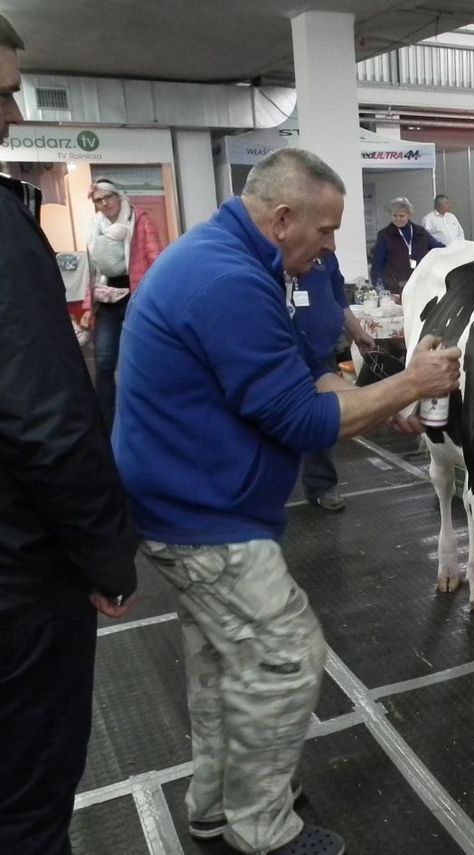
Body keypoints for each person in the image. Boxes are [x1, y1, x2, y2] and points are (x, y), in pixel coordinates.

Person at [113, 148, 460, 855]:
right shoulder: (227, 281)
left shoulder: (238, 261)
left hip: (191, 502)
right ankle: (263, 829)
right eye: (325, 231)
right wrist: (411, 385)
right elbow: (300, 420)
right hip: (203, 516)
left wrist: (380, 396)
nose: (332, 247)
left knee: (224, 664)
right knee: (285, 656)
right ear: (281, 219)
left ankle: (217, 805)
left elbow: (306, 378)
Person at [0, 14, 139, 855]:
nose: (13, 115)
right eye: (0, 94)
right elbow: (45, 420)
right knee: (27, 804)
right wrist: (107, 553)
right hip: (18, 581)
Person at [293, 250, 375, 512]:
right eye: (325, 232)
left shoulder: (327, 258)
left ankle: (321, 485)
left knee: (322, 420)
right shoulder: (285, 258)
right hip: (287, 353)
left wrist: (358, 332)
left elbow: (339, 298)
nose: (331, 242)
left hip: (321, 352)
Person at [79, 177, 163, 428]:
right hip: (106, 301)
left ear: (118, 196)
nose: (104, 203)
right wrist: (87, 307)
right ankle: (106, 423)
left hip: (137, 299)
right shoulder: (95, 227)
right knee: (104, 362)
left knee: (140, 359)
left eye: (108, 197)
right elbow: (92, 270)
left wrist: (158, 298)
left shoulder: (139, 220)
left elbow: (156, 258)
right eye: (98, 200)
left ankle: (147, 414)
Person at [369, 196, 442, 297]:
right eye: (394, 215)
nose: (397, 219)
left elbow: (438, 247)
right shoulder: (385, 235)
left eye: (401, 216)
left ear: (409, 215)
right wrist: (380, 289)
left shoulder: (420, 232)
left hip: (420, 285)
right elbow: (377, 265)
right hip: (395, 288)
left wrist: (455, 249)